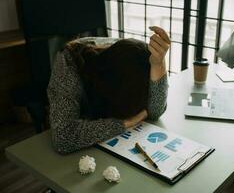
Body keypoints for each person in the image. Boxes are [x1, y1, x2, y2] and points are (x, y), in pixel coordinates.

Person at [47, 26, 170, 154]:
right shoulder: (68, 64)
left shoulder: (139, 57)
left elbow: (155, 112)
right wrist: (125, 123)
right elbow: (63, 138)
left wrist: (158, 64)